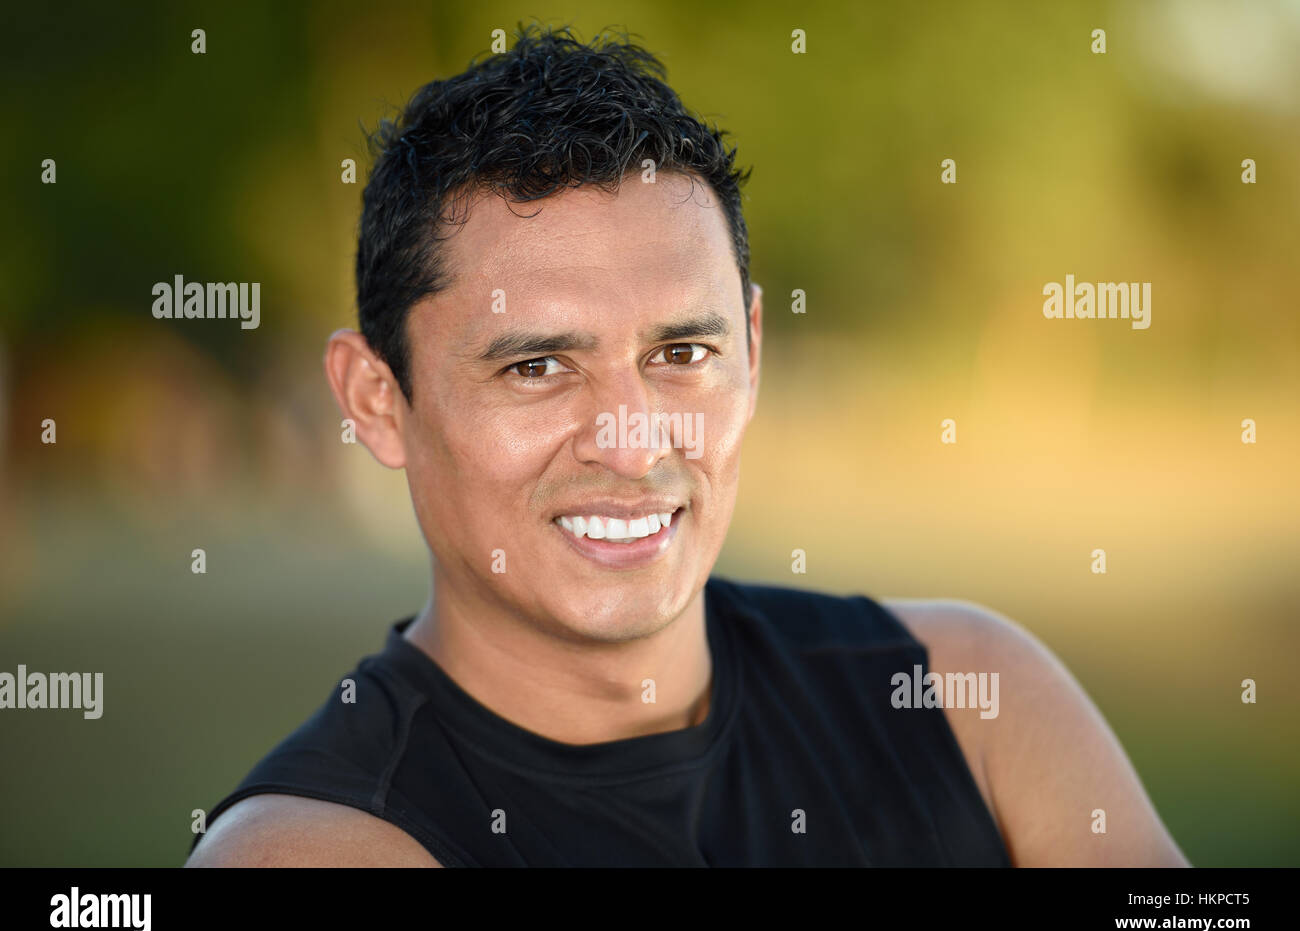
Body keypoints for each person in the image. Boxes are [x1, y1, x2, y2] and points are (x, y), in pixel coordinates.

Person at [187, 25, 1187, 867]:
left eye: (679, 351)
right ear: (375, 399)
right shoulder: (318, 850)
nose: (630, 442)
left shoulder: (969, 698)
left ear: (751, 351)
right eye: (537, 367)